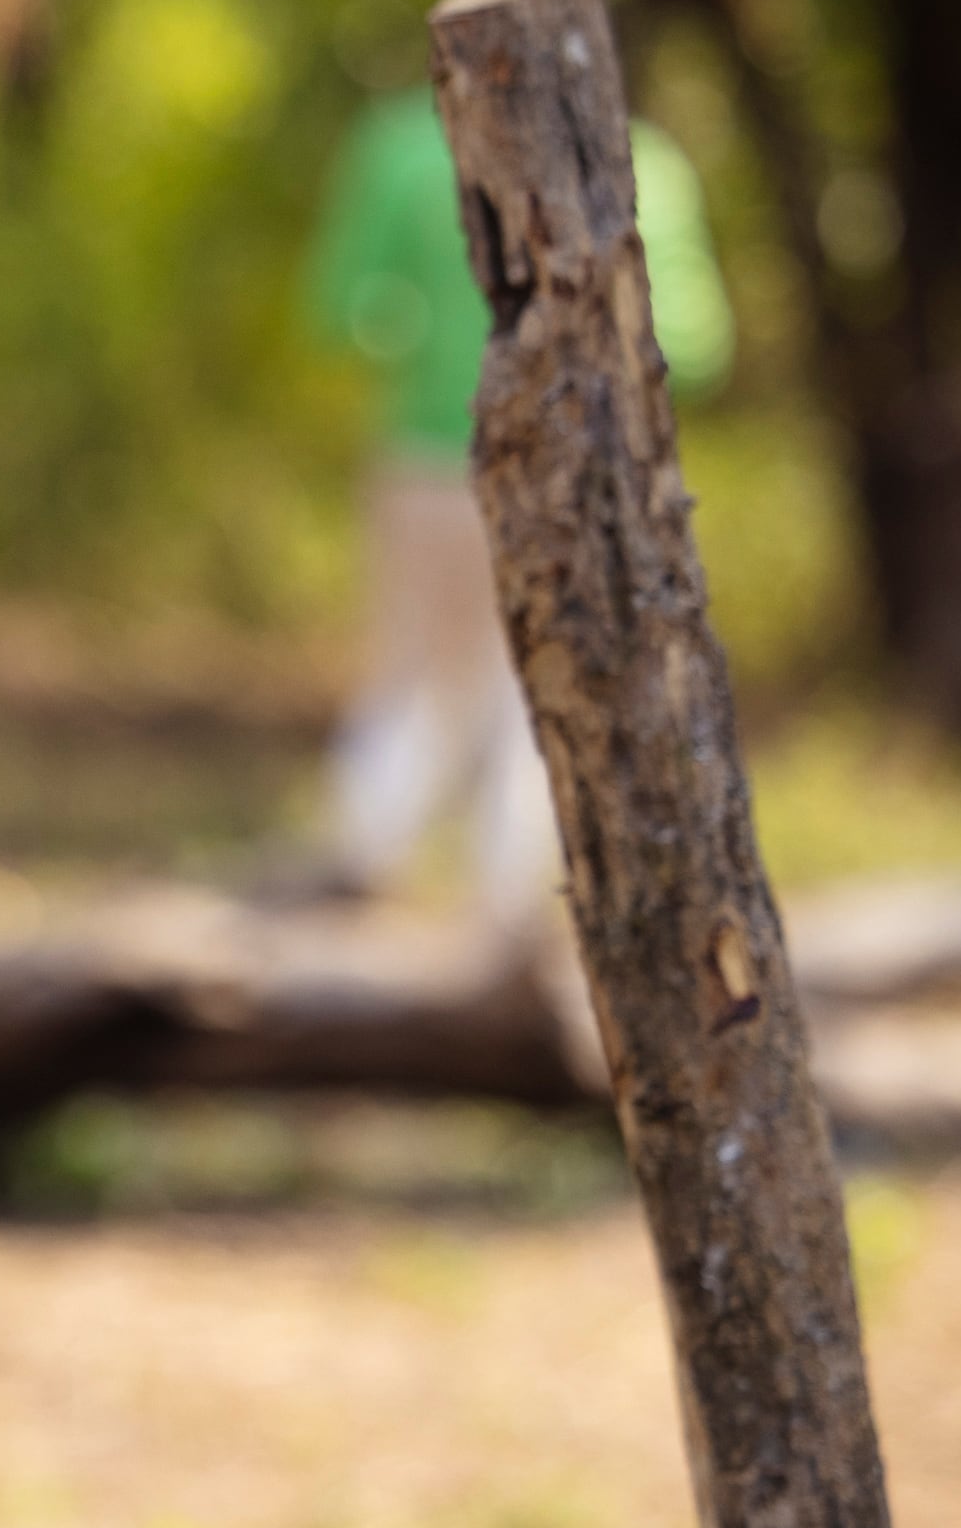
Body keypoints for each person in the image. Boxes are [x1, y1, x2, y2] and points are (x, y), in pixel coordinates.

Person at [306, 82, 733, 927]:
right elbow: (697, 344)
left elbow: (341, 314)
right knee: (549, 680)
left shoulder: (401, 149)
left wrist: (438, 341)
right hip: (585, 463)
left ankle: (366, 847)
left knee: (420, 663)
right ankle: (510, 896)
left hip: (432, 455)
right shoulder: (643, 160)